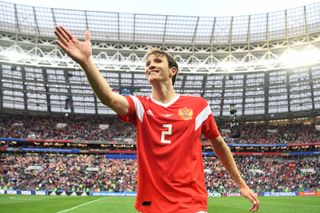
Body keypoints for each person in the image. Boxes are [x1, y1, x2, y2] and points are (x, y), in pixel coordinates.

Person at [54, 26, 260, 213]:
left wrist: (240, 183)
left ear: (172, 71)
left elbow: (218, 142)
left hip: (190, 203)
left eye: (157, 61)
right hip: (151, 205)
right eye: (148, 63)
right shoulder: (141, 106)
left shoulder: (198, 106)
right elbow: (108, 97)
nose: (150, 65)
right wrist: (87, 62)